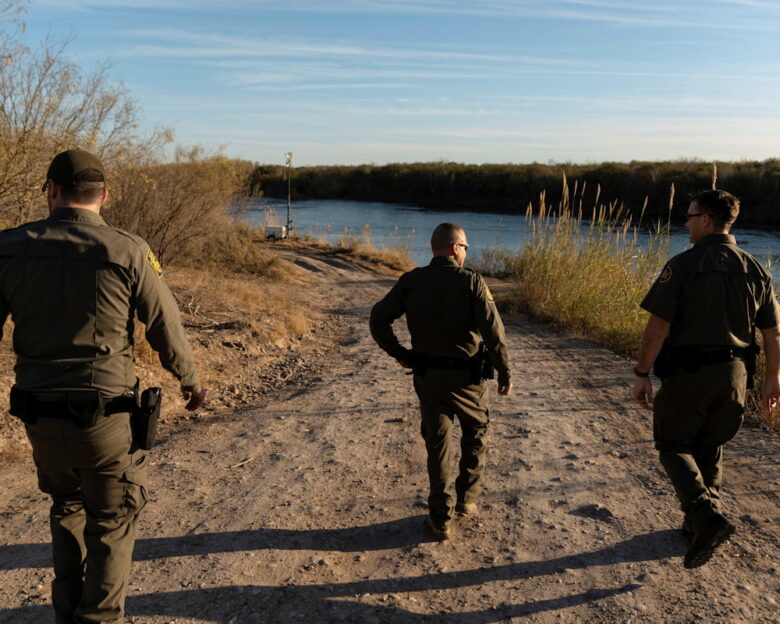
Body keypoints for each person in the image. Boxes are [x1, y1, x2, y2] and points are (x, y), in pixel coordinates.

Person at [0, 149, 207, 623]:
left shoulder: (8, 247)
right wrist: (189, 381)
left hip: (39, 417)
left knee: (65, 505)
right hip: (106, 417)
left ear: (51, 190)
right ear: (105, 196)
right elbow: (164, 325)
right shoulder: (128, 249)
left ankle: (65, 611)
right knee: (112, 521)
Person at [632, 189, 780, 569]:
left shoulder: (683, 265)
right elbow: (773, 333)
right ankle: (696, 526)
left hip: (689, 372)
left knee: (673, 444)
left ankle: (704, 516)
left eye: (690, 216)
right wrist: (772, 380)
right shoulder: (756, 269)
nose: (686, 223)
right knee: (710, 442)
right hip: (736, 375)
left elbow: (658, 327)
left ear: (707, 221)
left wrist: (642, 373)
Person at [370, 223, 512, 541]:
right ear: (453, 248)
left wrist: (400, 353)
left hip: (429, 379)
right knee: (476, 435)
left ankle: (440, 519)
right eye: (465, 247)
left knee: (437, 446)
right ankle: (467, 500)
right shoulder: (472, 282)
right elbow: (494, 333)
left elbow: (378, 319)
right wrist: (505, 373)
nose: (465, 253)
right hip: (469, 381)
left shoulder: (411, 281)